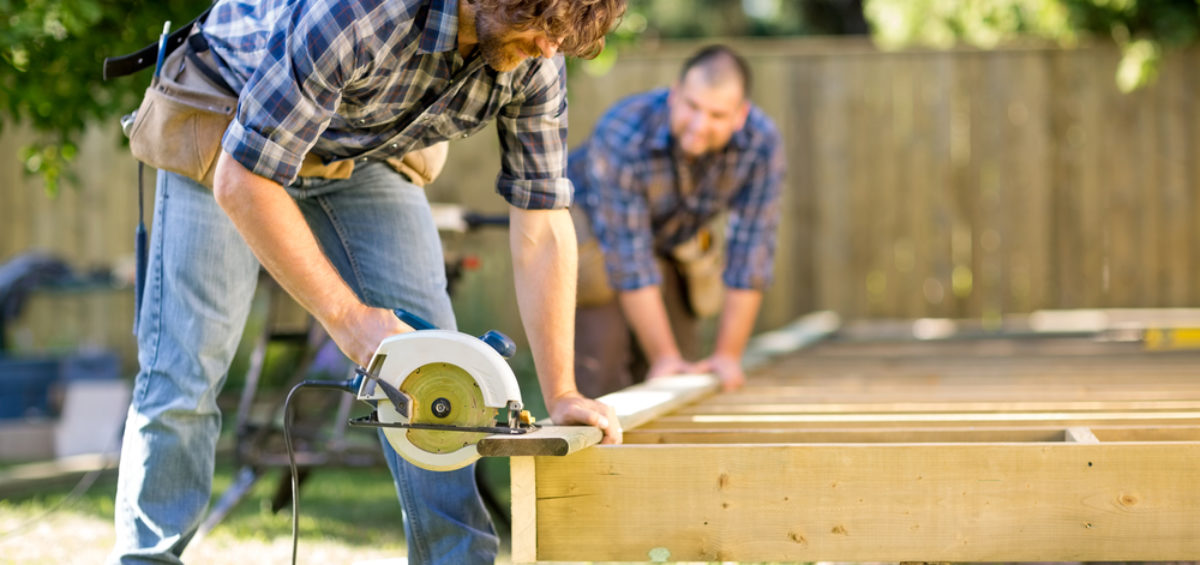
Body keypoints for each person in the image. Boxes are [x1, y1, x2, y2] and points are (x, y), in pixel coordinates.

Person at [108, 0, 625, 563]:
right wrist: (349, 320)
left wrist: (563, 392)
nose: (550, 48)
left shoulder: (538, 57)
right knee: (185, 370)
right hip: (228, 120)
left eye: (561, 36)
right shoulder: (359, 11)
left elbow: (544, 223)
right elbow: (243, 179)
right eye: (539, 28)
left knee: (438, 373)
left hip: (358, 154)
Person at [570, 45, 785, 398]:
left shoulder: (761, 144)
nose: (700, 126)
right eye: (693, 106)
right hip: (592, 231)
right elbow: (629, 256)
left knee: (684, 373)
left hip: (670, 236)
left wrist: (727, 357)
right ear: (674, 94)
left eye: (717, 115)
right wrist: (663, 356)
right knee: (605, 368)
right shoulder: (624, 131)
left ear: (740, 115)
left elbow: (752, 251)